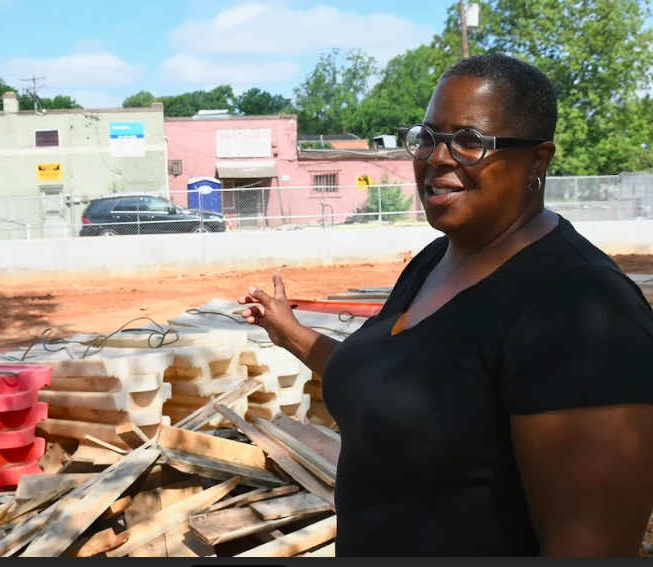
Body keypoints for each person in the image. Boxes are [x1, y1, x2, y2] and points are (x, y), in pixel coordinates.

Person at [238, 53, 653, 556]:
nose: (437, 157)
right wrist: (292, 334)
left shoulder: (579, 309)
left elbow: (591, 548)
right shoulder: (437, 259)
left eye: (470, 141)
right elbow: (399, 385)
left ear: (537, 161)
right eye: (428, 137)